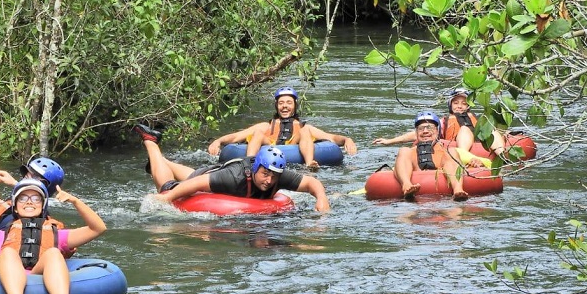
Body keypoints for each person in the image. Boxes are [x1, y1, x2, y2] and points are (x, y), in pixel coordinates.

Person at [134, 124, 331, 212]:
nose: (269, 180)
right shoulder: (233, 178)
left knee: (192, 174)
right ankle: (151, 142)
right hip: (210, 176)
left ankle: (162, 162)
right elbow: (198, 183)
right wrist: (167, 198)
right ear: (256, 167)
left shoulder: (277, 173)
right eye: (265, 174)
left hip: (214, 171)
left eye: (273, 177)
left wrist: (322, 199)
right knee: (168, 186)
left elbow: (311, 182)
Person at [207, 86, 357, 169]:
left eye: (289, 103)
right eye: (281, 103)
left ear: (294, 106)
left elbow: (331, 138)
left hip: (293, 147)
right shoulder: (266, 125)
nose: (285, 106)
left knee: (306, 131)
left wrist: (347, 140)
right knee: (258, 133)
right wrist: (218, 141)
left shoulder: (303, 126)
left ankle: (309, 163)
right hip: (269, 146)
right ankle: (249, 164)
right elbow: (235, 137)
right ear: (277, 106)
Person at [372, 89, 506, 159]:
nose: (459, 106)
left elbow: (494, 133)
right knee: (464, 129)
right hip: (455, 148)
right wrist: (390, 141)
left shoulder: (479, 118)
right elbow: (419, 134)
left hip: (480, 144)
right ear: (450, 105)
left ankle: (503, 156)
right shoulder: (443, 121)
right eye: (456, 103)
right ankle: (464, 157)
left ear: (469, 106)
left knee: (492, 131)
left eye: (464, 103)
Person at [392, 111, 472, 201]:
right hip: (415, 200)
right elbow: (397, 168)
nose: (425, 131)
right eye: (421, 129)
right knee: (403, 150)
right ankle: (406, 186)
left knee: (452, 151)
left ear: (437, 131)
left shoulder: (449, 150)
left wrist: (476, 162)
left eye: (429, 128)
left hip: (445, 199)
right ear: (416, 133)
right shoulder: (408, 153)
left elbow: (474, 161)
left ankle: (457, 189)